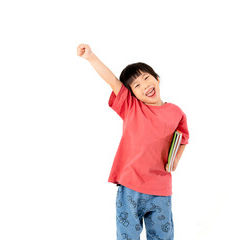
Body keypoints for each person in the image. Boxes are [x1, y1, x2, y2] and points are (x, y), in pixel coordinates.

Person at [77, 44, 189, 240]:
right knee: (127, 235)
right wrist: (91, 57)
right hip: (130, 187)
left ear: (157, 79)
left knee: (163, 236)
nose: (144, 85)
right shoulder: (131, 107)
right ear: (132, 94)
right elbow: (112, 81)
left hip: (161, 188)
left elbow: (183, 138)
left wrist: (176, 160)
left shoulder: (176, 112)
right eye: (136, 85)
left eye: (146, 78)